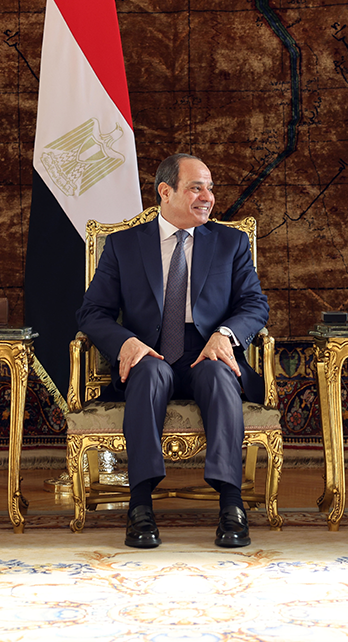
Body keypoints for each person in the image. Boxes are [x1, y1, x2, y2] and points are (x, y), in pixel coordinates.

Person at [76, 153, 270, 549]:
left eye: (210, 187)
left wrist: (226, 335)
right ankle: (140, 505)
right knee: (148, 374)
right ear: (166, 192)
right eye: (196, 187)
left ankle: (231, 504)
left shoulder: (229, 243)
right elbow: (92, 312)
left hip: (208, 352)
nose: (208, 196)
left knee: (220, 375)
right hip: (151, 353)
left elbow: (255, 304)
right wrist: (126, 342)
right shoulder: (123, 246)